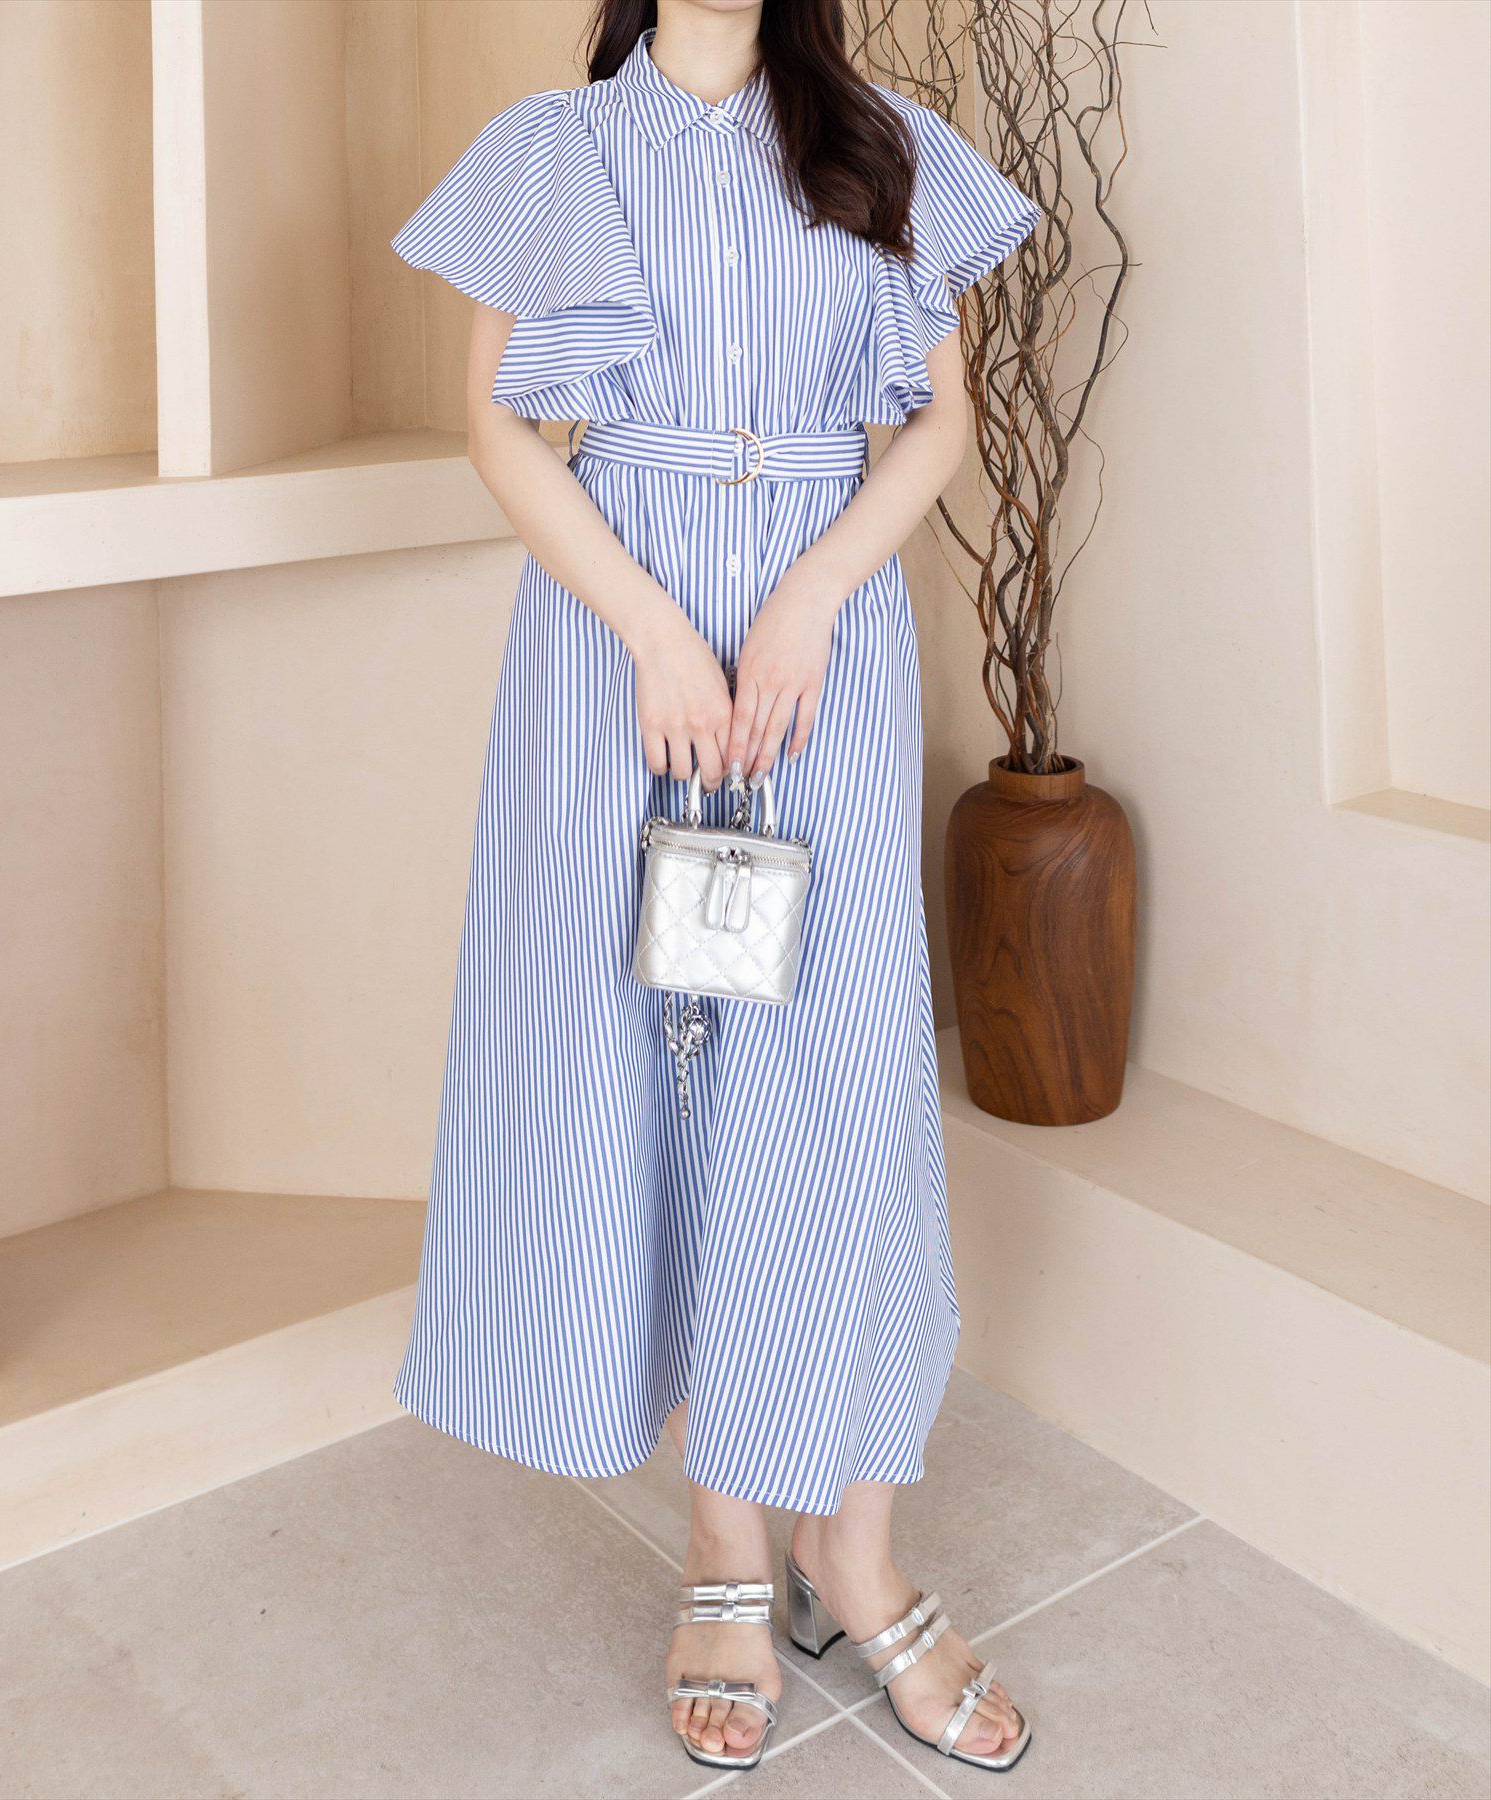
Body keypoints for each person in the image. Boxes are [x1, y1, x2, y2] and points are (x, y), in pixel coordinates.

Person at [389, 0, 1041, 1774]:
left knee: (836, 1081)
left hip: (819, 653)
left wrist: (813, 596)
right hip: (618, 651)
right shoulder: (557, 150)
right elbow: (500, 429)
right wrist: (658, 634)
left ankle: (859, 1545)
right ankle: (727, 1544)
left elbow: (940, 423)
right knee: (642, 1062)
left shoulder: (883, 142)